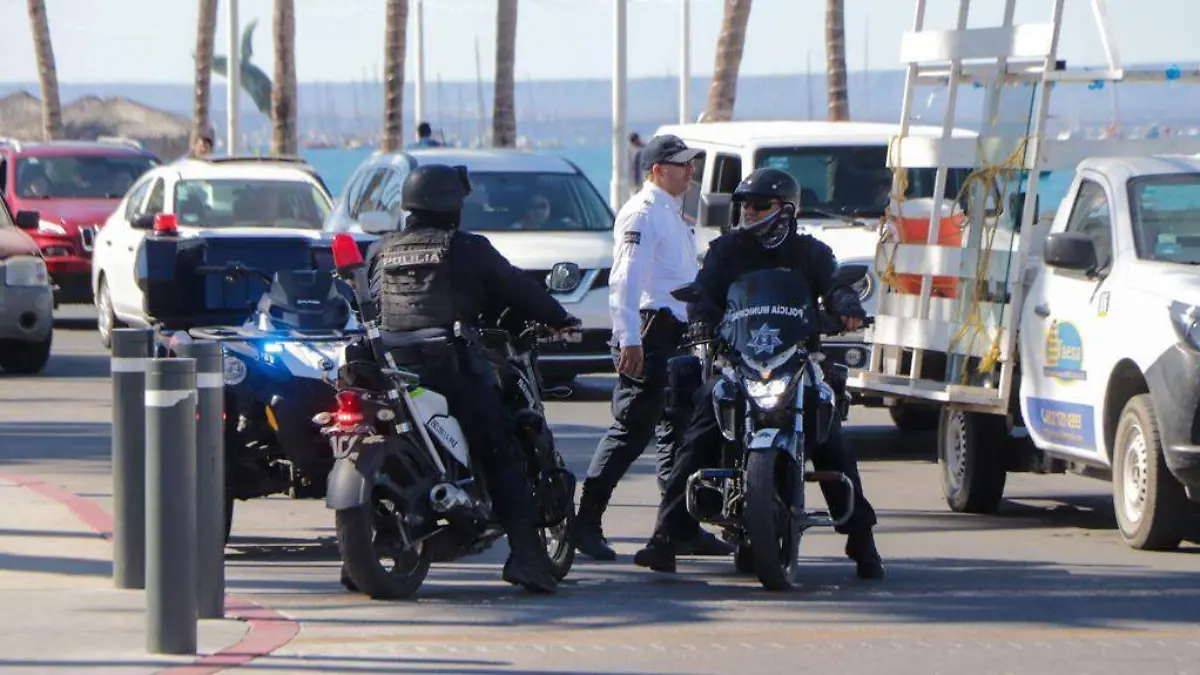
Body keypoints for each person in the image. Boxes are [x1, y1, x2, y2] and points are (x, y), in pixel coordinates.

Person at [632, 167, 886, 580]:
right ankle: (666, 537)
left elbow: (835, 286)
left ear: (785, 209)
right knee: (698, 433)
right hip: (739, 361)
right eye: (745, 205)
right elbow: (705, 292)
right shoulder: (726, 251)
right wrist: (699, 319)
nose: (749, 212)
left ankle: (863, 542)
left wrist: (847, 310)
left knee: (831, 441)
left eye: (760, 205)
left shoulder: (811, 253)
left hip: (796, 361)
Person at [363, 163, 581, 593]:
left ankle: (359, 559)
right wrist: (560, 318)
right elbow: (518, 288)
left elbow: (367, 302)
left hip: (388, 369)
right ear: (451, 205)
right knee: (500, 445)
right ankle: (526, 556)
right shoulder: (466, 248)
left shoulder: (381, 250)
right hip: (446, 367)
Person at [572, 134, 734, 562]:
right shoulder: (642, 214)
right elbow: (625, 278)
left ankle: (679, 526)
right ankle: (583, 523)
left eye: (691, 164)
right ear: (657, 168)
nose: (690, 171)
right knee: (631, 430)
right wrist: (628, 338)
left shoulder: (671, 213)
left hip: (678, 335)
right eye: (682, 164)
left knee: (677, 434)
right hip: (649, 332)